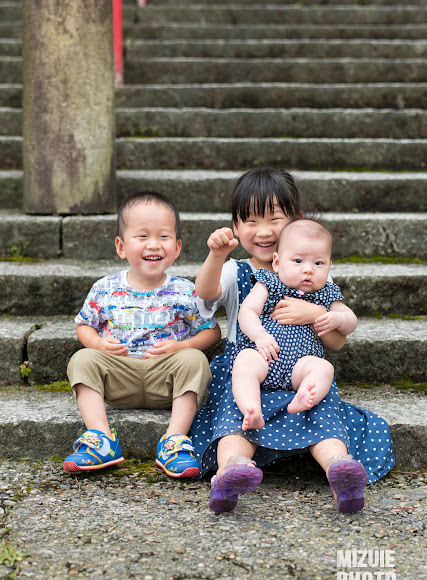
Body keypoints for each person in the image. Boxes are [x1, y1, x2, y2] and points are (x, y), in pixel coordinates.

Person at [191, 167, 394, 515]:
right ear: (237, 227)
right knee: (237, 409)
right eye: (251, 221)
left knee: (323, 402)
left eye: (275, 219)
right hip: (252, 368)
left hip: (300, 375)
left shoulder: (313, 275)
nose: (265, 231)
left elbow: (337, 343)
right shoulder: (238, 271)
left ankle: (339, 468)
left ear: (297, 221)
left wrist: (314, 314)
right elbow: (205, 294)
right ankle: (232, 467)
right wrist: (216, 255)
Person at [63, 191, 221, 478]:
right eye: (142, 237)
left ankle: (174, 441)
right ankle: (101, 438)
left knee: (195, 360)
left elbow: (212, 332)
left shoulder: (186, 291)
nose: (154, 245)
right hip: (120, 376)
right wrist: (98, 343)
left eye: (164, 237)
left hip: (167, 380)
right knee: (82, 359)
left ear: (177, 247)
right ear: (121, 246)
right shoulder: (105, 288)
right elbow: (84, 325)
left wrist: (181, 346)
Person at [232, 218, 357, 430]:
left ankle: (305, 397)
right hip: (264, 356)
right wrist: (259, 335)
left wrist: (337, 318)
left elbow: (350, 321)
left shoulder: (327, 293)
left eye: (318, 263)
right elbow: (247, 312)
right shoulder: (269, 283)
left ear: (329, 265)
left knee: (324, 368)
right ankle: (251, 409)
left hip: (301, 366)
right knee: (244, 362)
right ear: (277, 262)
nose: (308, 270)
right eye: (298, 261)